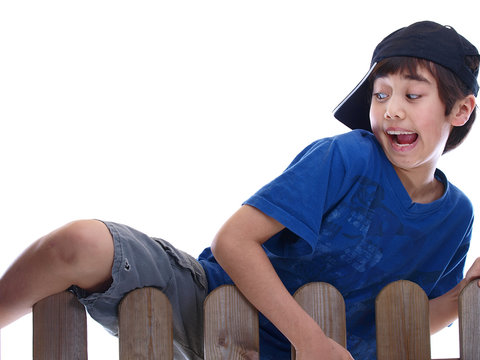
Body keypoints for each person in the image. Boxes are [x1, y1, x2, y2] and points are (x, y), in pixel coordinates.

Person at [1, 20, 479, 360]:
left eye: (412, 95)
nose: (390, 110)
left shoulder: (457, 215)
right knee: (81, 242)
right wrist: (308, 340)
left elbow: (421, 314)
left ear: (459, 111)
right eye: (380, 93)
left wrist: (467, 292)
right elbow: (233, 240)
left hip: (320, 352)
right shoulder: (349, 155)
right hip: (212, 308)